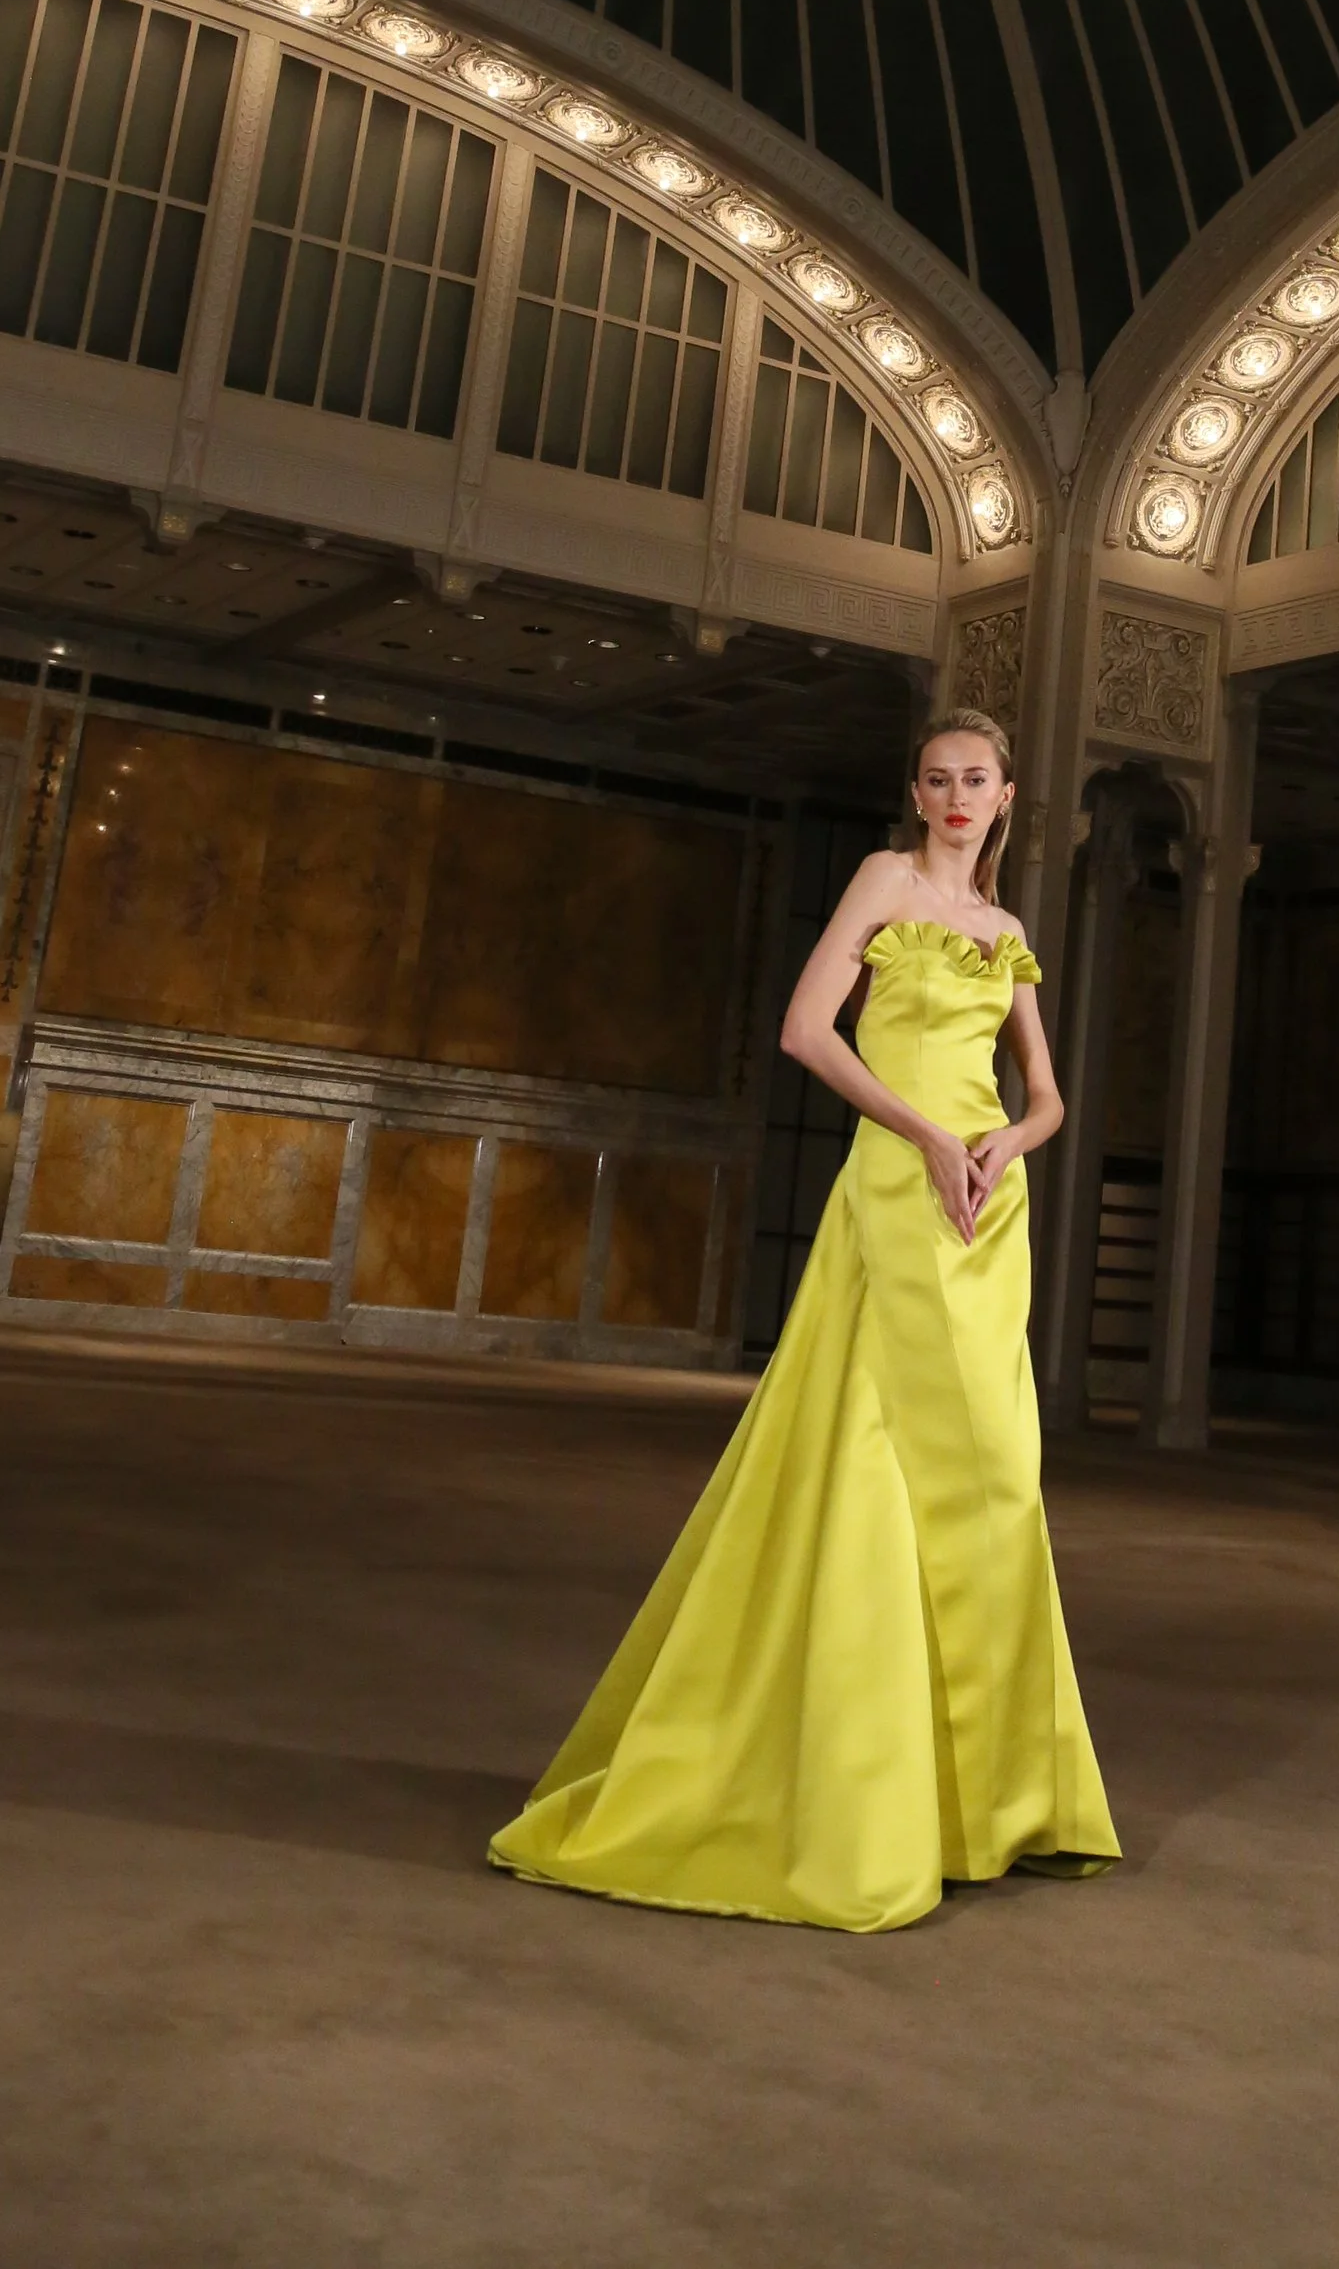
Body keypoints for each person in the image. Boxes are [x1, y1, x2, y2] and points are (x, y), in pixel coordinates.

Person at [488, 713, 1119, 1932]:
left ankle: (988, 1801)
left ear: (1005, 797)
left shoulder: (1009, 933)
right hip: (897, 1183)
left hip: (989, 1211)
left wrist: (1001, 1141)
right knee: (881, 1462)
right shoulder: (884, 882)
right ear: (918, 792)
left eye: (973, 780)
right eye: (934, 777)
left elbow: (1046, 1096)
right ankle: (866, 1796)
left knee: (998, 1479)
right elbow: (803, 1029)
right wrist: (927, 1133)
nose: (952, 796)